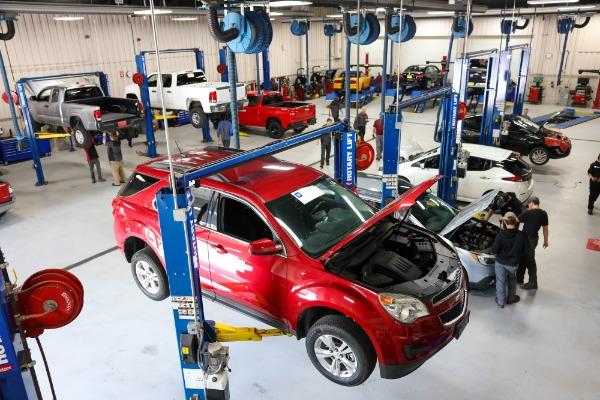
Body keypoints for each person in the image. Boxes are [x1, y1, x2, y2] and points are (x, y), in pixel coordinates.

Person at [488, 212, 528, 308]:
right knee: (512, 280)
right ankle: (511, 299)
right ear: (516, 222)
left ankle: (501, 302)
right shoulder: (521, 235)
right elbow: (526, 250)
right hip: (513, 264)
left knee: (500, 282)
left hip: (500, 263)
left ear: (505, 222)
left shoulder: (500, 235)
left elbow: (494, 250)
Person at [517, 196, 548, 290]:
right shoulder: (544, 213)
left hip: (526, 239)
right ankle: (519, 279)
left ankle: (533, 283)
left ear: (531, 203)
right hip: (534, 239)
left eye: (528, 205)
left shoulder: (528, 213)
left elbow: (516, 220)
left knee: (530, 261)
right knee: (523, 258)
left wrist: (505, 218)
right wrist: (546, 240)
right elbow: (545, 228)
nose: (528, 206)